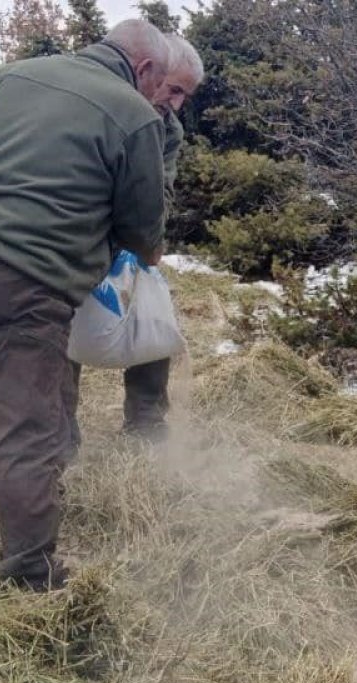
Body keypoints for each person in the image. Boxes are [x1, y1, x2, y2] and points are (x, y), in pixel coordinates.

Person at [0, 19, 171, 592]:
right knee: (29, 425)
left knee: (41, 391)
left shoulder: (13, 75)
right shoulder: (133, 112)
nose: (157, 97)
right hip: (31, 277)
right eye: (158, 84)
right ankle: (29, 575)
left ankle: (50, 487)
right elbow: (141, 230)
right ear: (143, 69)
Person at [112, 33, 206, 441]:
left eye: (185, 95)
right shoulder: (108, 105)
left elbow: (160, 191)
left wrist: (145, 243)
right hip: (79, 228)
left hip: (132, 229)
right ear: (150, 73)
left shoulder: (169, 129)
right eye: (173, 90)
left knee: (153, 312)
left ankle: (146, 420)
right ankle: (59, 426)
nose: (176, 104)